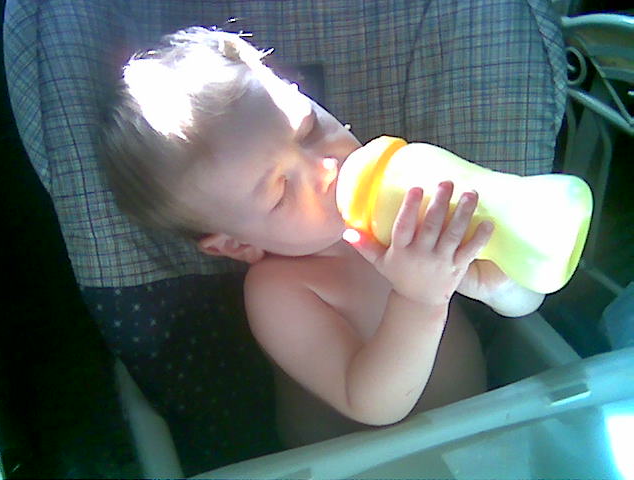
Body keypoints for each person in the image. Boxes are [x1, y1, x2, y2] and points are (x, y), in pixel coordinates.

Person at [101, 27, 545, 447]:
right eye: (281, 191)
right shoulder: (280, 290)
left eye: (309, 129)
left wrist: (497, 286)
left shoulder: (405, 200)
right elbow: (372, 404)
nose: (326, 167)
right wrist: (420, 301)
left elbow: (526, 303)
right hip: (360, 462)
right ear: (236, 245)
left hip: (481, 429)